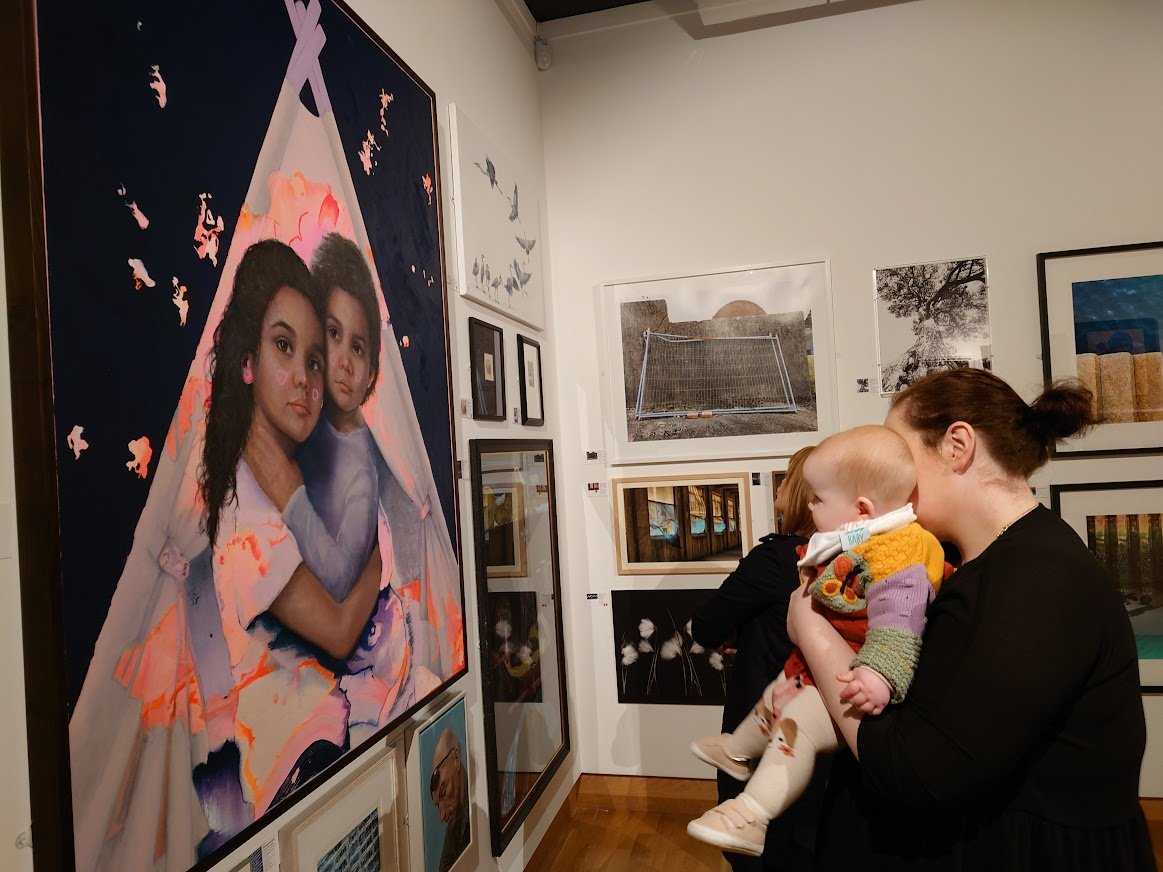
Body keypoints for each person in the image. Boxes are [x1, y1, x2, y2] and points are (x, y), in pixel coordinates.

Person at [788, 369, 1154, 870]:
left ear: (957, 446)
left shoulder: (1036, 578)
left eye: (899, 455)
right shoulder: (985, 564)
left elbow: (915, 772)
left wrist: (809, 629)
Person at [688, 426, 945, 858]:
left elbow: (898, 623)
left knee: (796, 724)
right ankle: (737, 749)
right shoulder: (858, 543)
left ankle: (752, 812)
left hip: (847, 679)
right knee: (779, 696)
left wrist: (880, 674)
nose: (809, 504)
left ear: (861, 509)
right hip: (821, 677)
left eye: (819, 497)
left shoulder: (898, 550)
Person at [197, 239, 385, 830]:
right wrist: (376, 559)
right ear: (247, 360)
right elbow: (336, 626)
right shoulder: (248, 512)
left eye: (312, 357)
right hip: (295, 774)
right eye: (284, 347)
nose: (308, 378)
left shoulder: (289, 470)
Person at [690, 447, 826, 871]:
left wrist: (737, 631)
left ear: (802, 492)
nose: (779, 488)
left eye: (786, 479)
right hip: (830, 725)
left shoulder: (778, 557)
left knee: (756, 845)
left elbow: (705, 627)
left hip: (768, 717)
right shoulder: (852, 557)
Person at [243, 232, 383, 602]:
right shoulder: (305, 414)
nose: (343, 362)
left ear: (371, 372)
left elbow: (340, 580)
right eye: (333, 334)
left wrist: (292, 498)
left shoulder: (361, 472)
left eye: (358, 347)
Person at [430, 727, 471, 871]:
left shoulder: (477, 803)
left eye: (443, 793)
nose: (442, 816)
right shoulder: (455, 823)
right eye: (438, 806)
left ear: (456, 758)